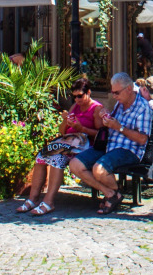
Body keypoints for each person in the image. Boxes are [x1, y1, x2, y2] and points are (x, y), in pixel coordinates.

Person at [18, 76, 106, 217]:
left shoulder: (96, 109)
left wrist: (81, 128)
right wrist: (66, 121)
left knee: (57, 159)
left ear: (88, 92)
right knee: (41, 156)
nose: (77, 99)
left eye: (80, 96)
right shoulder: (75, 107)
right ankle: (33, 198)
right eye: (74, 96)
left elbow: (100, 135)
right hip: (69, 142)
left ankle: (49, 201)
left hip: (86, 145)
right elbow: (62, 131)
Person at [68, 72, 153, 215]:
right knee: (75, 165)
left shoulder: (142, 108)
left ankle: (112, 195)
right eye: (112, 92)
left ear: (128, 89)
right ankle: (112, 194)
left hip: (129, 150)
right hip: (108, 146)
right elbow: (110, 125)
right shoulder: (120, 104)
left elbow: (143, 139)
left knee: (99, 169)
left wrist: (119, 127)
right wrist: (105, 117)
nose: (114, 96)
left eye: (116, 92)